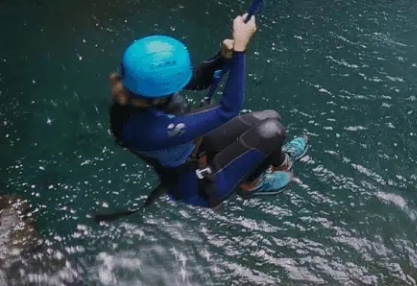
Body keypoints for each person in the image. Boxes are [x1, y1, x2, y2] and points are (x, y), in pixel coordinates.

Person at [106, 12, 307, 213]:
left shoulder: (141, 88)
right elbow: (228, 109)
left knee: (271, 116)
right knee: (272, 131)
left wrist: (222, 57)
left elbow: (198, 79)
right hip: (195, 184)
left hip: (193, 146)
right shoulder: (150, 129)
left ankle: (280, 161)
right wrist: (240, 50)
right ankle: (251, 183)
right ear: (158, 95)